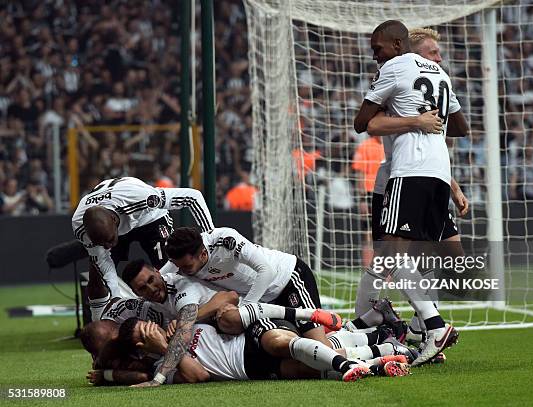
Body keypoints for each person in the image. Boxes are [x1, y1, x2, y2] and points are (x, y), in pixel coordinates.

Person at [353, 20, 469, 365]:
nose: (376, 56)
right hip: (429, 172)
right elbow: (460, 126)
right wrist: (421, 118)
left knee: (398, 255)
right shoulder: (436, 77)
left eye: (378, 49)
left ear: (399, 46)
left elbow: (363, 123)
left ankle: (427, 323)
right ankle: (409, 321)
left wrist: (414, 120)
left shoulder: (395, 71)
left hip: (407, 172)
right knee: (401, 255)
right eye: (434, 51)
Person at [161, 226, 333, 348]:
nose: (182, 272)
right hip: (262, 300)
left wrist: (243, 309)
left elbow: (266, 270)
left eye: (187, 267)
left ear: (203, 254)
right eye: (178, 267)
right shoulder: (180, 261)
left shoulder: (225, 240)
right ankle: (347, 336)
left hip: (288, 279)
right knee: (295, 345)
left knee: (319, 345)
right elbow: (158, 278)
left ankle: (358, 350)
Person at [109, 318, 409, 386]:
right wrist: (165, 349)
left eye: (150, 325)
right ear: (141, 347)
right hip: (247, 369)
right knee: (303, 370)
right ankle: (383, 352)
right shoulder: (164, 367)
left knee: (282, 344)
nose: (154, 329)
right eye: (145, 333)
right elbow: (198, 375)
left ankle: (373, 340)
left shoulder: (180, 324)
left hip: (251, 339)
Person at [71, 176, 214, 308]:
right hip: (113, 220)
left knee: (169, 268)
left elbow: (192, 197)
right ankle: (101, 321)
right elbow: (104, 263)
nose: (108, 246)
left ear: (114, 222)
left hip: (149, 217)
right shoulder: (80, 226)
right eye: (102, 243)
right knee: (98, 278)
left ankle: (182, 310)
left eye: (109, 240)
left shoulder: (142, 197)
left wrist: (210, 238)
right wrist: (116, 300)